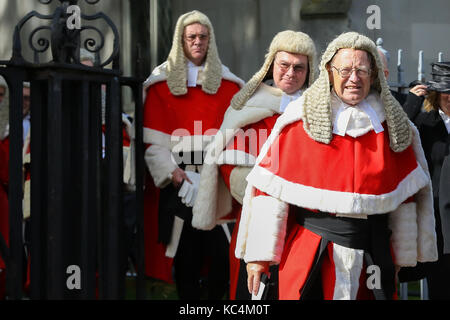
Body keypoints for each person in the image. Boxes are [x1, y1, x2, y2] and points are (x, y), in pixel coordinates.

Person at [235, 32, 438, 300]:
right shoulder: (299, 122)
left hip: (372, 255)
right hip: (311, 250)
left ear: (374, 75)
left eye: (362, 70)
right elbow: (269, 192)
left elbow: (406, 197)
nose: (353, 78)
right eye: (345, 70)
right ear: (330, 72)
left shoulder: (394, 127)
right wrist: (259, 257)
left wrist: (403, 255)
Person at [192, 30, 317, 300]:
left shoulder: (320, 111)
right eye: (284, 65)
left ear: (309, 71)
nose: (291, 73)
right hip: (256, 221)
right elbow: (233, 173)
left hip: (309, 228)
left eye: (299, 67)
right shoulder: (248, 105)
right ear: (272, 64)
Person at [141, 10, 244, 299]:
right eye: (191, 37)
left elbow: (239, 140)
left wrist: (217, 177)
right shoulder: (159, 84)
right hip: (180, 183)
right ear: (181, 41)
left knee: (222, 258)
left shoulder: (231, 86)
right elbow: (153, 144)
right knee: (186, 258)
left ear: (210, 40)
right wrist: (176, 176)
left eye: (203, 36)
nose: (197, 42)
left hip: (218, 182)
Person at [402, 62, 450, 299]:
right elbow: (397, 140)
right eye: (445, 93)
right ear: (436, 93)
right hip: (438, 220)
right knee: (440, 286)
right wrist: (411, 103)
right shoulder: (424, 122)